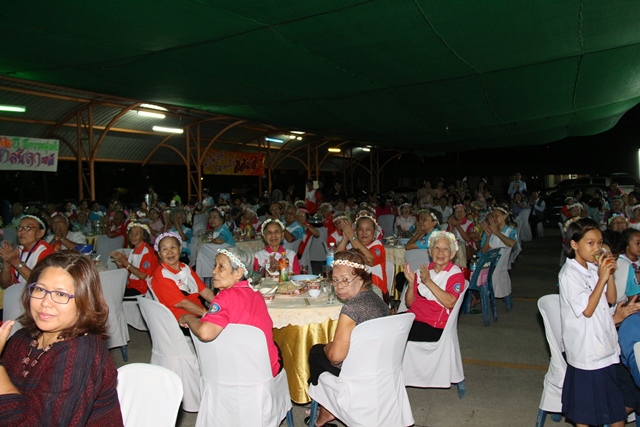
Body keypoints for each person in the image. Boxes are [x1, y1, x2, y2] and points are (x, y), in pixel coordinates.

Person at [0, 251, 123, 426]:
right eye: (40, 289)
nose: (45, 302)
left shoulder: (80, 353)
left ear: (84, 301)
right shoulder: (24, 338)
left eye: (61, 294)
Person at [307, 250, 389, 427]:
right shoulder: (376, 298)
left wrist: (328, 347)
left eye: (345, 279)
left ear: (361, 278)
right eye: (335, 280)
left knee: (316, 352)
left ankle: (325, 411)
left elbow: (336, 357)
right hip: (382, 364)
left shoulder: (351, 309)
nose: (339, 286)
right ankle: (328, 407)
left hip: (358, 369)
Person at [558, 217, 627, 427]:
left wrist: (609, 274)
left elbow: (611, 299)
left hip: (604, 345)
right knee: (585, 413)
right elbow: (587, 310)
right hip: (587, 351)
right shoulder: (569, 274)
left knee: (615, 409)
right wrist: (602, 278)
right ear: (574, 244)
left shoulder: (591, 267)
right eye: (590, 243)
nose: (597, 248)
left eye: (599, 242)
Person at [179, 248, 282, 377]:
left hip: (233, 370)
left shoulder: (224, 297)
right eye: (215, 266)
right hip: (264, 369)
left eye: (221, 267)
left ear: (238, 272)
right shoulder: (257, 295)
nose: (213, 271)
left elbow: (205, 333)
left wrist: (188, 317)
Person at [402, 231, 465, 341]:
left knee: (394, 337)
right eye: (436, 248)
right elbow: (409, 304)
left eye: (445, 249)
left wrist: (428, 281)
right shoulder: (423, 270)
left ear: (452, 254)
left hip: (434, 324)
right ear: (430, 252)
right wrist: (411, 284)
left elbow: (450, 303)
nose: (440, 252)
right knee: (384, 325)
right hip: (412, 318)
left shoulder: (455, 274)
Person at [151, 232, 215, 328]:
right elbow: (182, 303)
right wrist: (209, 314)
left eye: (173, 247)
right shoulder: (162, 275)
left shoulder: (185, 267)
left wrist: (221, 305)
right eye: (164, 249)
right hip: (181, 320)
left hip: (198, 312)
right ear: (159, 254)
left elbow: (205, 291)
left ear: (180, 249)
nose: (169, 252)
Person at [335, 211, 389, 302]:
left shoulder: (377, 245)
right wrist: (345, 239)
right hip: (355, 291)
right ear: (356, 231)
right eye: (360, 229)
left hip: (376, 294)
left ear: (374, 232)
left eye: (368, 229)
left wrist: (353, 238)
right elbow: (336, 260)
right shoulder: (352, 245)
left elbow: (370, 260)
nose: (364, 233)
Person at [0, 215, 55, 288]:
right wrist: (7, 264)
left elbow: (41, 283)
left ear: (40, 233)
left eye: (28, 228)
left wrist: (16, 262)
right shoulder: (19, 250)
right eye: (19, 228)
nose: (22, 231)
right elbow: (5, 285)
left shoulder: (47, 251)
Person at [110, 222, 159, 296]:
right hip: (132, 286)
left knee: (113, 295)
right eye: (131, 233)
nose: (133, 236)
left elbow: (143, 276)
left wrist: (124, 261)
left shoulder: (147, 252)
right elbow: (128, 274)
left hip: (143, 290)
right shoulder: (133, 251)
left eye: (137, 233)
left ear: (144, 236)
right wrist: (120, 264)